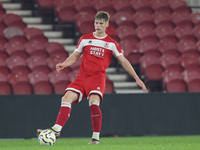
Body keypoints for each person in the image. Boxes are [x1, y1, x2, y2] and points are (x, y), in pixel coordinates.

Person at [37, 11, 147, 144]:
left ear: (107, 24)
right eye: (96, 23)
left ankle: (95, 138)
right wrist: (64, 64)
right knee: (66, 98)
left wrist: (136, 78)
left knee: (93, 103)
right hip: (82, 77)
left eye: (101, 23)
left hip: (97, 78)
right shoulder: (85, 38)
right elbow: (75, 55)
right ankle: (56, 129)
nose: (98, 25)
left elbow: (123, 61)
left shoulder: (111, 43)